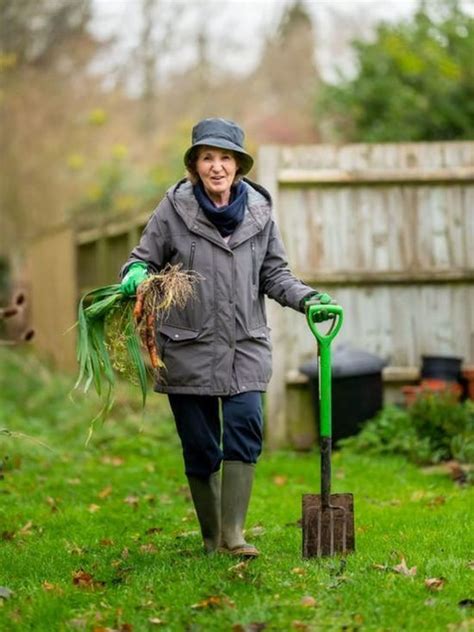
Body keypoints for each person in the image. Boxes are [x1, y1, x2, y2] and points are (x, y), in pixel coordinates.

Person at [120, 118, 332, 557]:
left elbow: (274, 273)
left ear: (238, 165)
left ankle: (234, 536)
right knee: (200, 446)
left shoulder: (259, 212)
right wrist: (137, 274)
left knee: (245, 428)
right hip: (188, 345)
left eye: (225, 158)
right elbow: (141, 259)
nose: (217, 166)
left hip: (244, 344)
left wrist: (307, 299)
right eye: (207, 157)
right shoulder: (173, 210)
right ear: (195, 165)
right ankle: (211, 537)